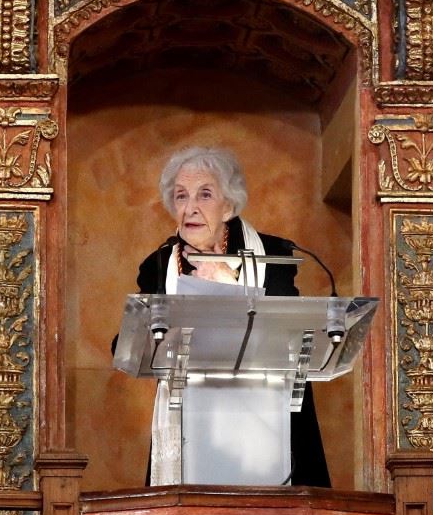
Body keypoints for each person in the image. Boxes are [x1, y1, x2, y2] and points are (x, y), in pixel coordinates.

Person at [134, 145, 330, 487]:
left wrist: (231, 283)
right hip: (193, 418)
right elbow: (128, 343)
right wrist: (154, 338)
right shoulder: (157, 265)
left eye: (205, 194)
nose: (190, 208)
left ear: (228, 206)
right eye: (181, 196)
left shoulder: (274, 255)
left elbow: (290, 329)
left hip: (268, 417)